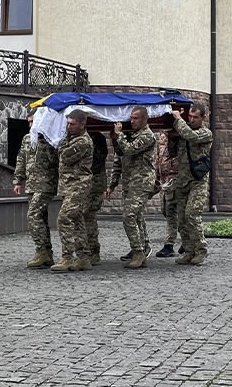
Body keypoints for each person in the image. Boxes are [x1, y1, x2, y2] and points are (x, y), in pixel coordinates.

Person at [106, 106, 157, 269]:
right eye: (131, 118)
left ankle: (138, 252)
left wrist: (119, 134)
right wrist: (112, 184)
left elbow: (128, 150)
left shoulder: (147, 136)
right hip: (130, 183)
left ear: (144, 119)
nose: (132, 121)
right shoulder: (131, 135)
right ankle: (141, 247)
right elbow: (119, 158)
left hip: (142, 183)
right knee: (137, 217)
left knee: (129, 216)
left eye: (135, 118)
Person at [12, 113, 59, 269]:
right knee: (41, 218)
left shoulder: (50, 138)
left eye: (33, 121)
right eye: (29, 122)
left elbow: (56, 161)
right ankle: (46, 253)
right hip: (32, 184)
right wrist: (18, 180)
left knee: (33, 216)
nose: (31, 125)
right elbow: (21, 159)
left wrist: (44, 142)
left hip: (46, 184)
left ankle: (42, 251)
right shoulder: (27, 138)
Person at [170, 103, 214, 265]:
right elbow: (173, 152)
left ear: (203, 117)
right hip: (182, 181)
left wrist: (178, 119)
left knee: (192, 214)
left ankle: (201, 249)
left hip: (198, 181)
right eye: (190, 116)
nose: (192, 119)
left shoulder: (205, 133)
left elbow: (191, 136)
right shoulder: (183, 131)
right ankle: (189, 251)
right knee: (181, 218)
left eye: (196, 117)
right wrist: (171, 137)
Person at [51, 110, 94, 272]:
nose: (68, 127)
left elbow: (65, 156)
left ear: (82, 124)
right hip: (69, 185)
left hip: (78, 185)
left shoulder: (83, 141)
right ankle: (83, 258)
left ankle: (68, 257)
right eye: (67, 123)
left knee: (64, 218)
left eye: (72, 124)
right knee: (76, 220)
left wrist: (61, 141)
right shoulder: (73, 138)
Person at [153, 130, 181, 258]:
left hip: (173, 182)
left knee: (171, 213)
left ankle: (169, 244)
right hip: (164, 182)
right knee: (165, 211)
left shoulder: (176, 143)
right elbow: (159, 162)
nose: (161, 137)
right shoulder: (161, 148)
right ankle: (186, 239)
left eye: (163, 136)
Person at [84, 129, 109, 265]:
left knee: (88, 215)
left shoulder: (97, 137)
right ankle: (84, 250)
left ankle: (93, 251)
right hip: (82, 183)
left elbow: (97, 159)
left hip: (95, 182)